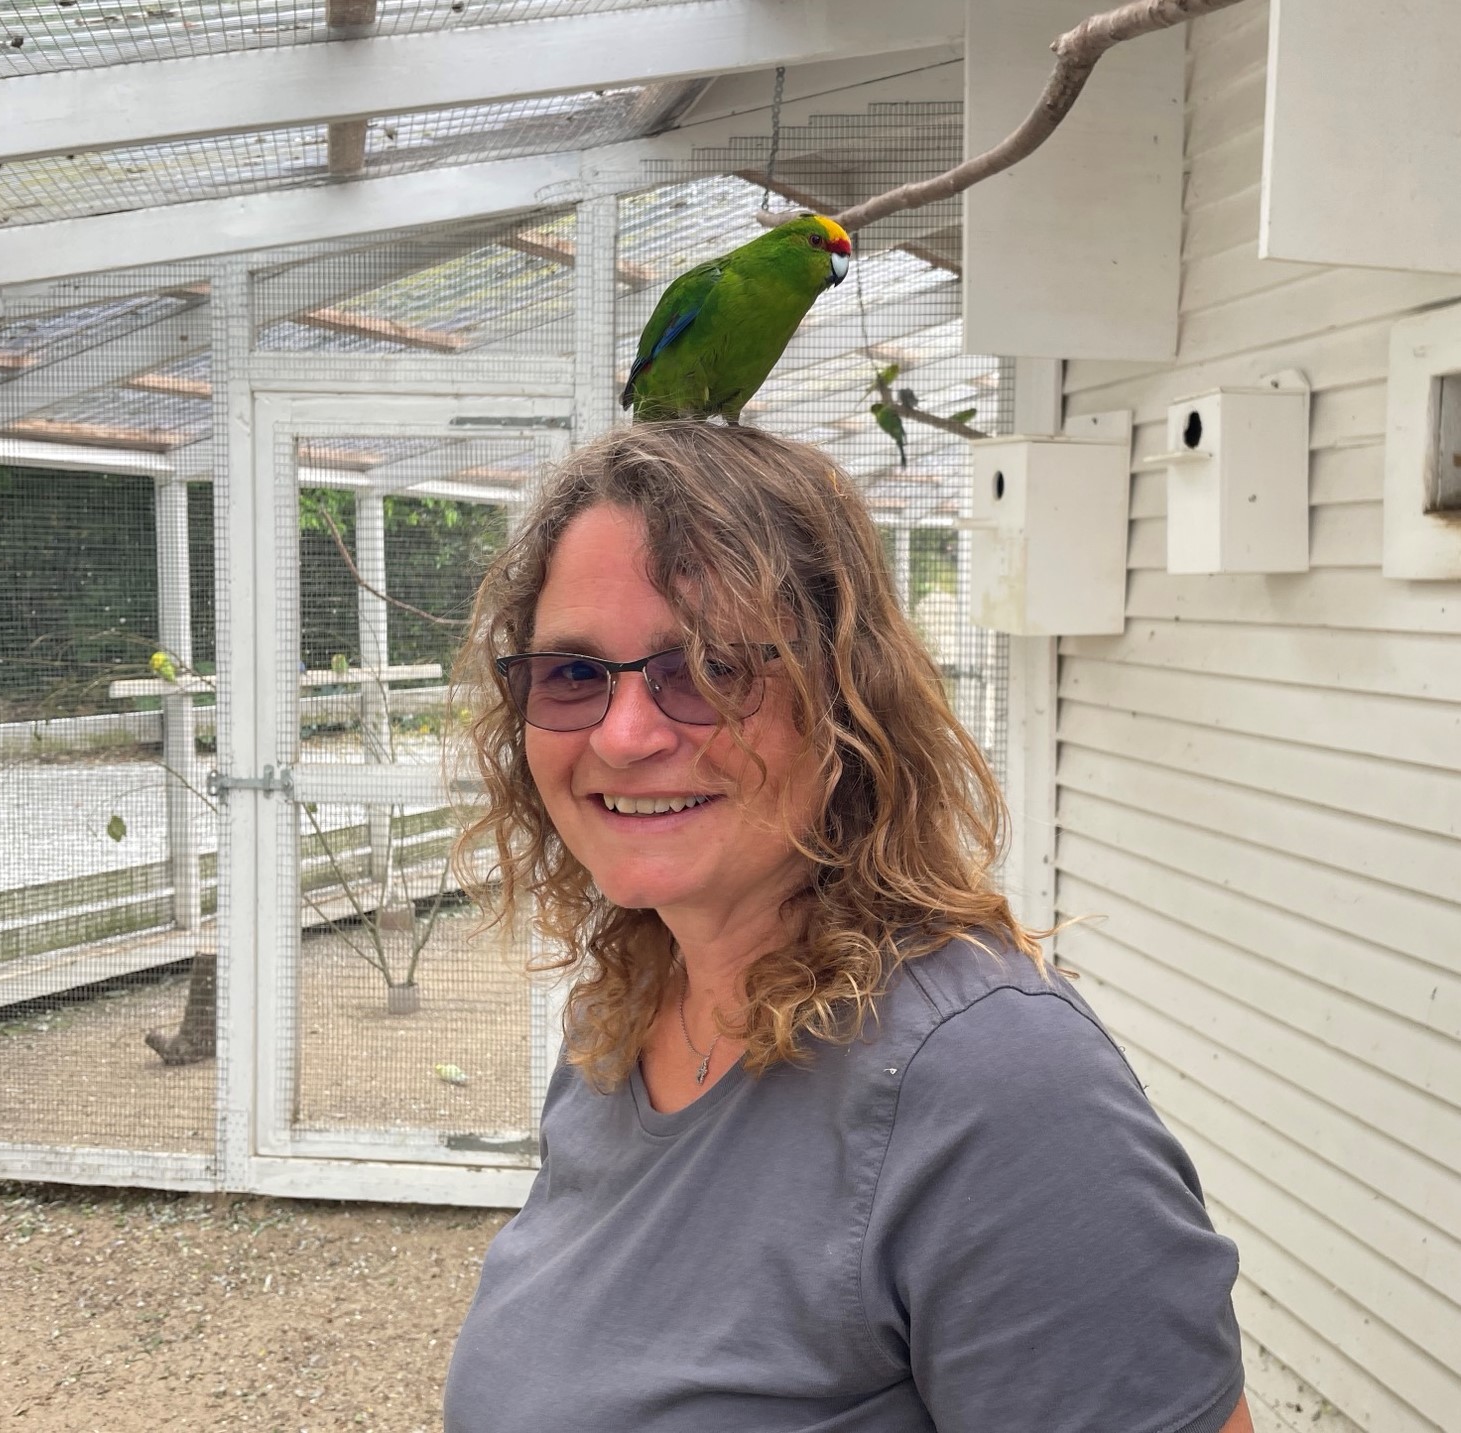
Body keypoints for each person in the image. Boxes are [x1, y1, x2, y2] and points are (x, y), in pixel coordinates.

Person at [443, 421, 1251, 1433]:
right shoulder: (626, 1011)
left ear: (845, 697)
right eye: (571, 673)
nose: (625, 732)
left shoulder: (990, 1084)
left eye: (708, 666)